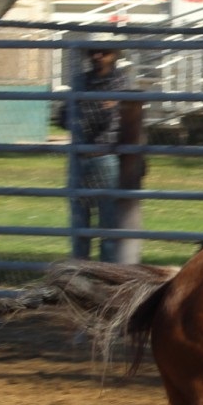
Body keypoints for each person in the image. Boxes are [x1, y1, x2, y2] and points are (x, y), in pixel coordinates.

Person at [59, 43, 130, 262]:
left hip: (104, 158)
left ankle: (104, 274)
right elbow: (63, 117)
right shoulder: (81, 80)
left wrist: (82, 111)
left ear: (115, 54)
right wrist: (96, 109)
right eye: (92, 51)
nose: (97, 56)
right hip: (80, 158)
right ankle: (80, 272)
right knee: (79, 224)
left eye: (104, 51)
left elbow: (107, 122)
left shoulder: (119, 82)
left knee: (107, 225)